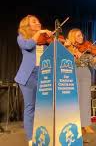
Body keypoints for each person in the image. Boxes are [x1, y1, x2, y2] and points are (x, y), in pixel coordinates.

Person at [14, 15, 52, 145]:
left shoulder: (45, 39)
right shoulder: (22, 37)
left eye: (38, 21)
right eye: (34, 22)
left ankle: (44, 134)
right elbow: (29, 46)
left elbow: (54, 53)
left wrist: (64, 44)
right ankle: (31, 139)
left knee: (43, 107)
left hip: (44, 76)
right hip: (28, 77)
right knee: (30, 107)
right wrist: (40, 32)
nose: (38, 23)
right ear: (27, 25)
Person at [65, 28, 96, 134]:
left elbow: (93, 63)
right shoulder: (67, 49)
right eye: (78, 36)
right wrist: (72, 54)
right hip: (72, 75)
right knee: (74, 101)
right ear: (72, 37)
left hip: (85, 75)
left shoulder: (86, 50)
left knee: (85, 101)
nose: (81, 37)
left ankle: (86, 125)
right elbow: (64, 61)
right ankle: (76, 125)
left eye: (81, 35)